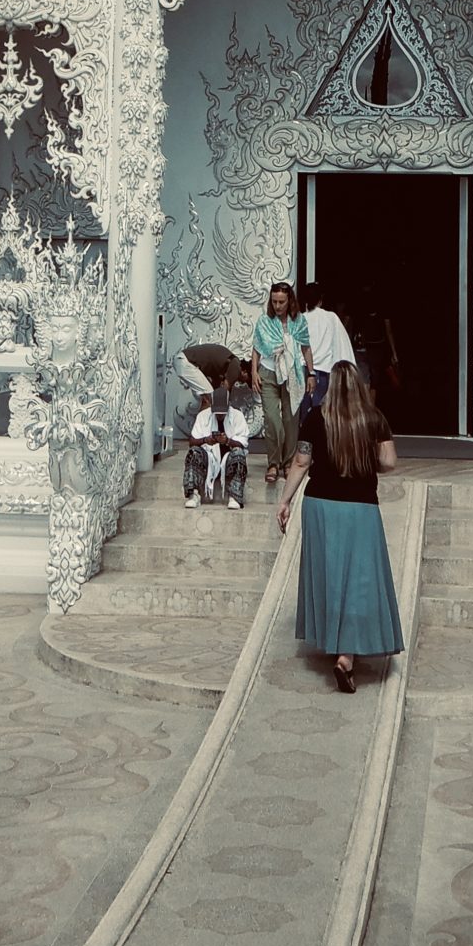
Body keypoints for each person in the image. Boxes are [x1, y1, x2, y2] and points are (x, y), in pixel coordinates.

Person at [276, 360, 401, 692]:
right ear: (359, 385)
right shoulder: (373, 418)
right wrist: (363, 460)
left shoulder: (316, 417)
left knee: (330, 575)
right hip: (360, 507)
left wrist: (285, 500)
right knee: (359, 579)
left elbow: (301, 461)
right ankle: (347, 655)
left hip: (321, 506)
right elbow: (389, 461)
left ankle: (336, 642)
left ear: (331, 387)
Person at [252, 282, 309, 486]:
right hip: (268, 370)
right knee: (272, 419)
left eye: (281, 302)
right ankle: (273, 463)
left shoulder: (298, 321)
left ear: (289, 301)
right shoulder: (264, 321)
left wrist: (310, 374)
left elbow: (306, 347)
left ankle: (287, 462)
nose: (277, 306)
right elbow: (257, 347)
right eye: (274, 301)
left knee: (291, 419)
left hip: (292, 372)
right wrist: (253, 373)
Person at [183, 387, 251, 509]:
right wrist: (206, 440)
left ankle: (234, 497)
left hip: (229, 460)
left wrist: (227, 441)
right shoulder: (203, 416)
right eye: (217, 412)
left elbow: (243, 443)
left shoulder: (237, 416)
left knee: (239, 453)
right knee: (193, 452)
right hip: (209, 460)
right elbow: (192, 441)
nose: (219, 415)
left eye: (222, 412)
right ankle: (194, 495)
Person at [297, 282, 355, 406]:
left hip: (304, 372)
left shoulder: (300, 320)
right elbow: (342, 344)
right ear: (320, 300)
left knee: (304, 414)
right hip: (324, 373)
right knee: (322, 413)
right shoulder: (331, 317)